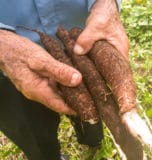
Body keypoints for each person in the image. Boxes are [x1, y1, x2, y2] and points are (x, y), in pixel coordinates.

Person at [0, 0, 129, 159]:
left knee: (93, 108)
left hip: (82, 38)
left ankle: (92, 139)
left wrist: (106, 3)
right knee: (31, 130)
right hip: (8, 60)